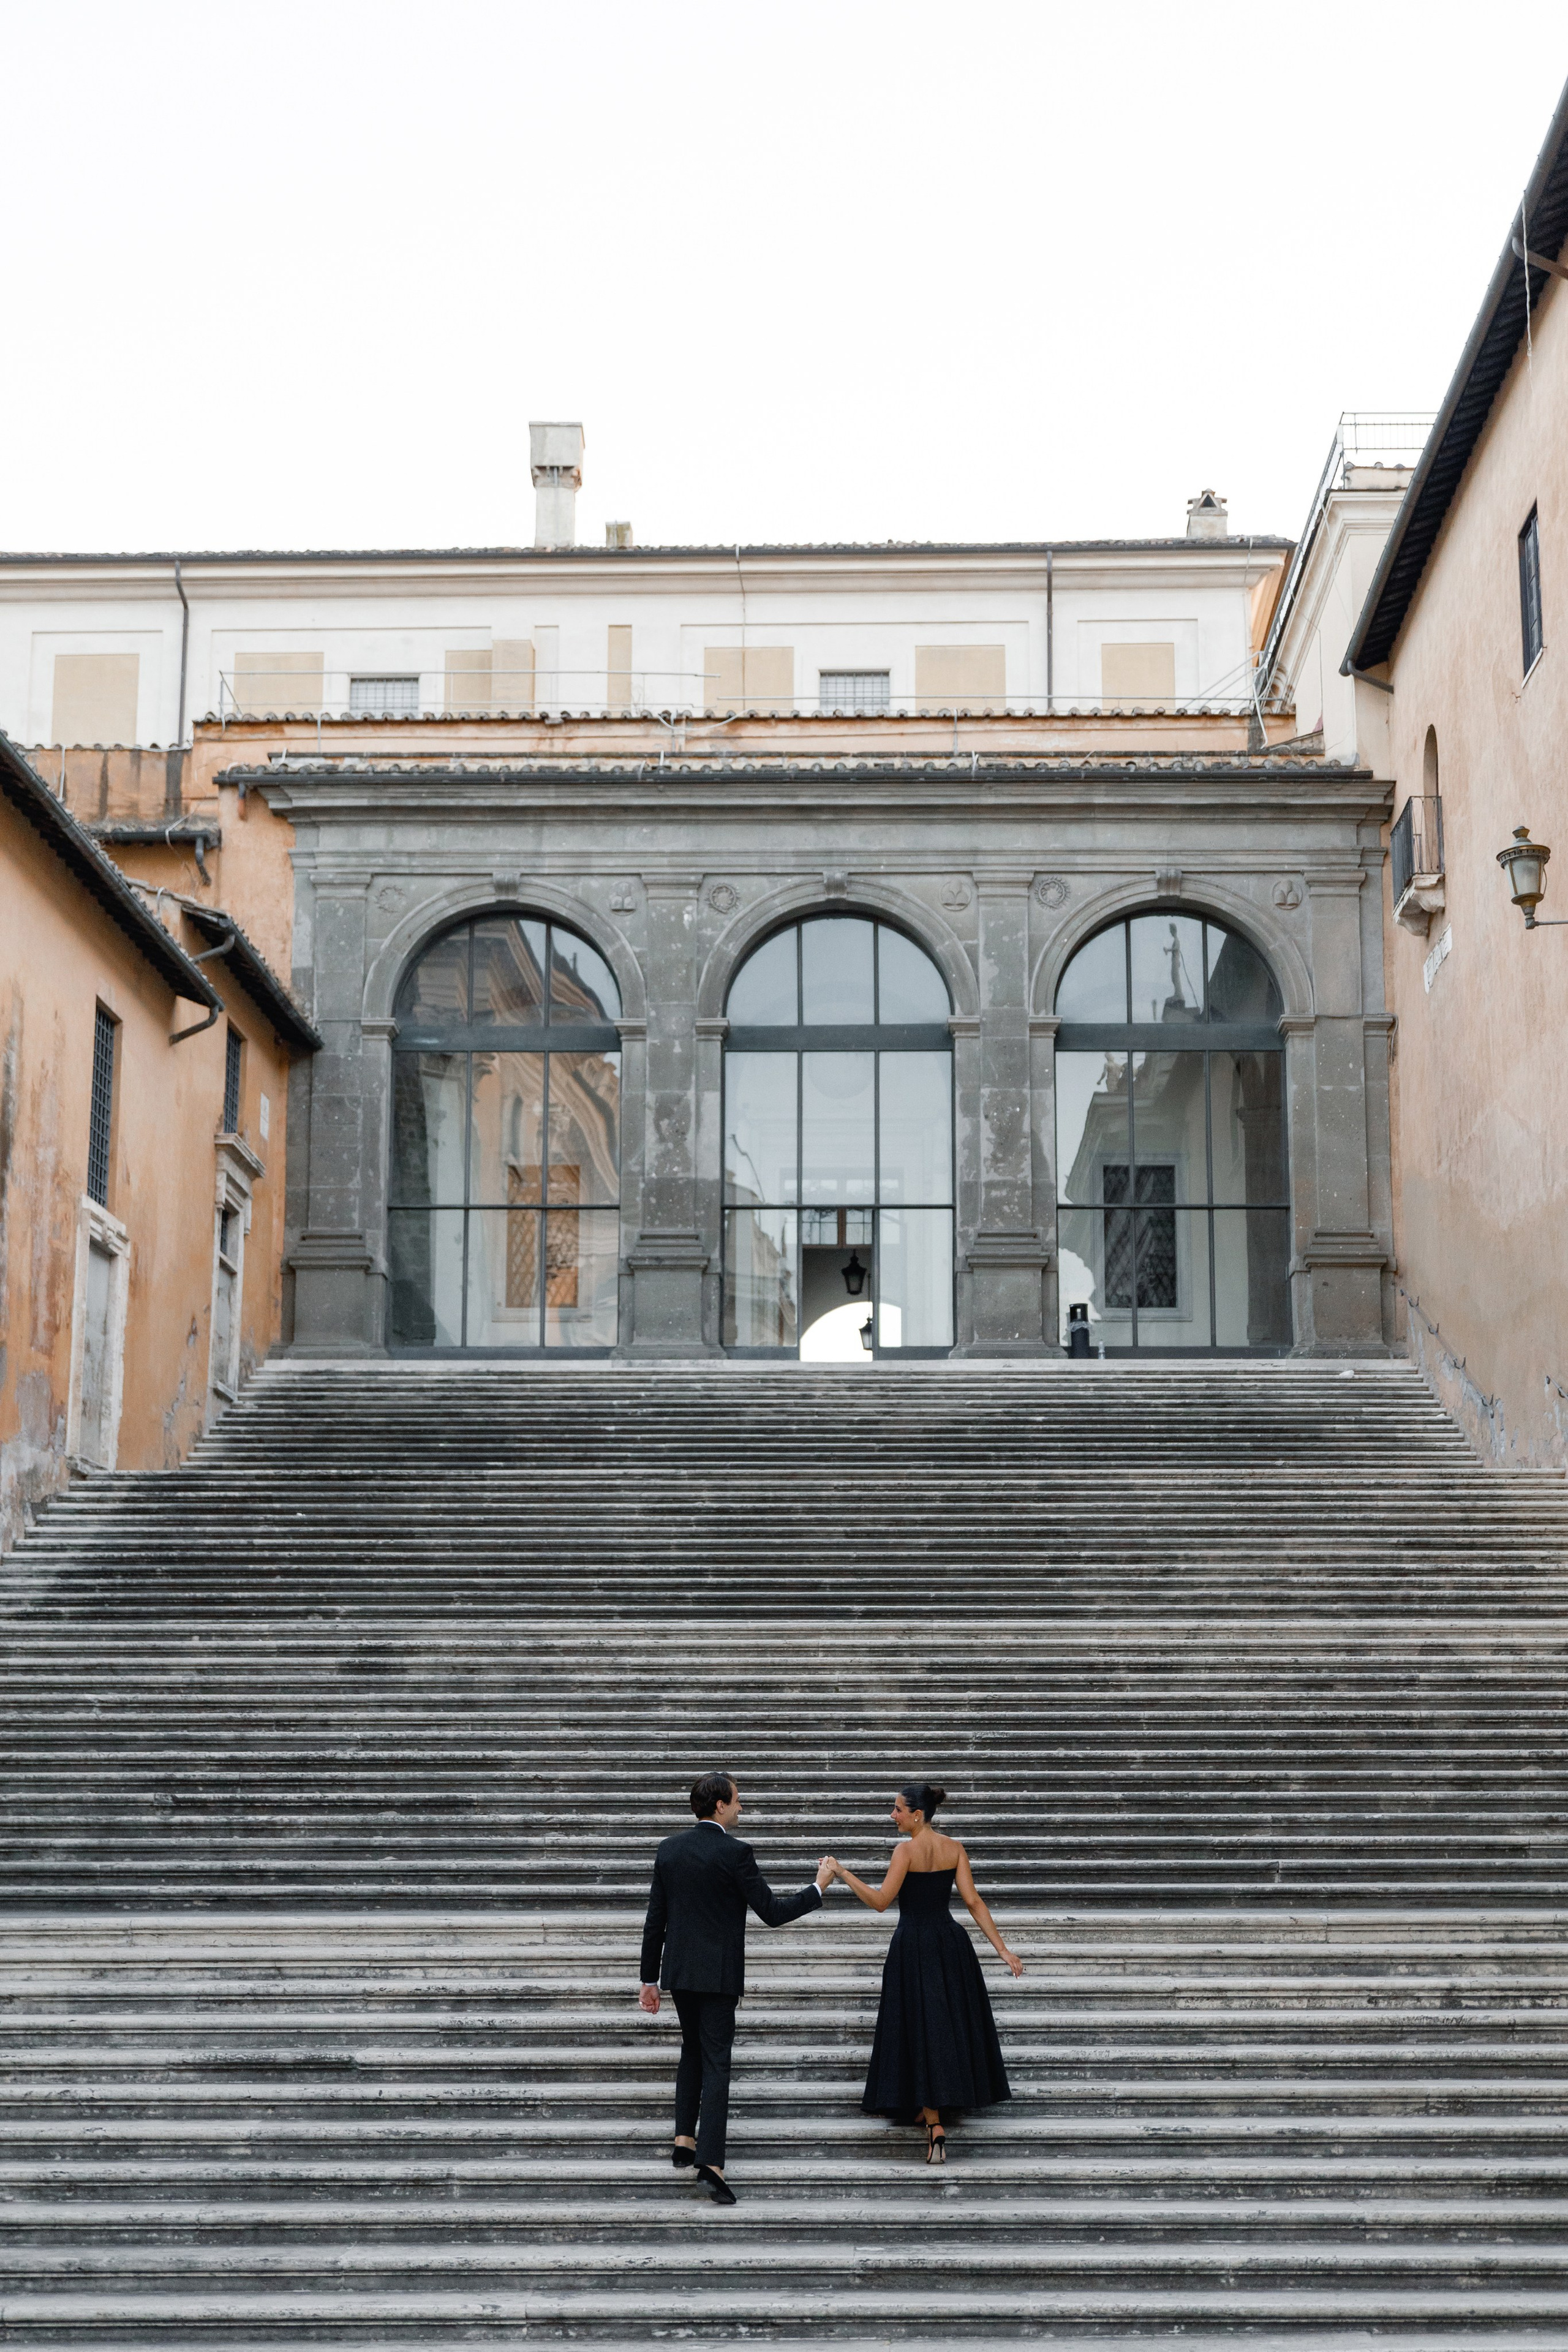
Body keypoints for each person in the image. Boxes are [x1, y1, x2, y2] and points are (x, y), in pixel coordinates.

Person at [639, 1771, 835, 2204]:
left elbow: (656, 1921)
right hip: (718, 1976)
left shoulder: (669, 1849)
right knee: (717, 2063)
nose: (742, 1807)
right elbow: (773, 1912)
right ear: (720, 1805)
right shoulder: (736, 1852)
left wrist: (649, 1979)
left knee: (693, 2049)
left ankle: (684, 2139)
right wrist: (818, 1887)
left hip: (680, 1972)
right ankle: (710, 2164)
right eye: (738, 1801)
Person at [834, 1781, 1022, 2163]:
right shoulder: (955, 1848)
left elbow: (881, 1902)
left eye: (898, 1809)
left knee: (921, 2028)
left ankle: (935, 2125)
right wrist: (1002, 1950)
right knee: (942, 2026)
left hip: (913, 1946)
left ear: (917, 1815)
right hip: (950, 1944)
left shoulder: (905, 1851)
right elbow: (973, 1901)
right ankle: (931, 2107)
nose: (893, 1815)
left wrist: (842, 1872)